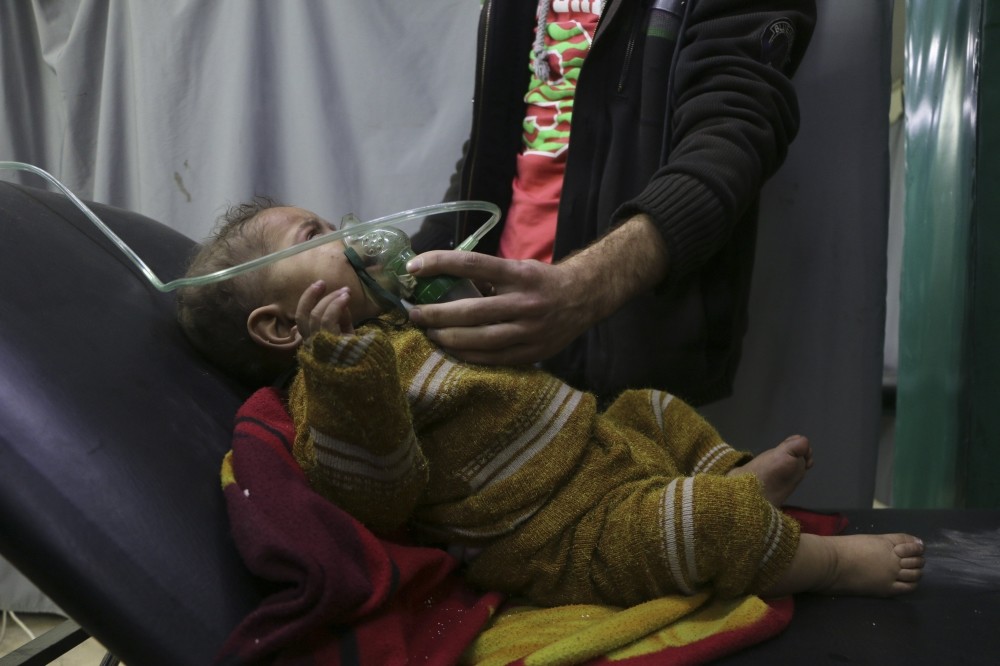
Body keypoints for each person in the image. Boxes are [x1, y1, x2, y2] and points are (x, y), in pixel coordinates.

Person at [176, 200, 924, 608]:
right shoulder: (328, 393)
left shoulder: (415, 323)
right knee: (710, 526)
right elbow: (380, 493)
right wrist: (341, 365)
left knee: (654, 408)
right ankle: (825, 564)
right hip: (565, 536)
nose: (350, 231)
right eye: (320, 235)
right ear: (279, 325)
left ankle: (729, 475)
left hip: (600, 451)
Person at [406, 0, 818, 406]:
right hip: (491, 349)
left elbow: (731, 142)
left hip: (628, 374)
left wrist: (578, 292)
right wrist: (390, 271)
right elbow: (503, 142)